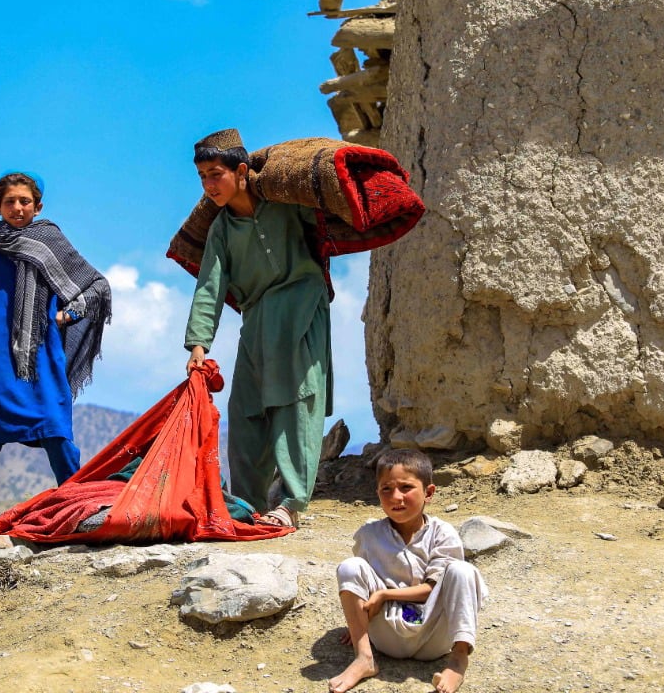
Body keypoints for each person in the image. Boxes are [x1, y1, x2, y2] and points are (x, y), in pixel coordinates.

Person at [0, 171, 111, 538]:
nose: (17, 208)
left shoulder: (50, 242)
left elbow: (96, 286)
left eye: (24, 201)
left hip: (41, 352)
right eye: (9, 202)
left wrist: (69, 314)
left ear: (38, 206)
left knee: (54, 424)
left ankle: (77, 507)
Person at [183, 128, 332, 529]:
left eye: (216, 174)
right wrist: (198, 343)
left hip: (302, 304)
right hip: (256, 319)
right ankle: (247, 506)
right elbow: (209, 286)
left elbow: (329, 218)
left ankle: (291, 503)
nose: (209, 185)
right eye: (202, 177)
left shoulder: (286, 204)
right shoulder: (221, 230)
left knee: (296, 400)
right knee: (245, 409)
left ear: (242, 170)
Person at [329, 449, 488, 693]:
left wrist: (384, 595)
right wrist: (358, 625)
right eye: (386, 489)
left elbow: (430, 589)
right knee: (350, 567)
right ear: (377, 494)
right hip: (387, 637)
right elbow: (360, 587)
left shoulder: (442, 533)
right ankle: (364, 658)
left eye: (406, 488)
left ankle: (458, 659)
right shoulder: (368, 535)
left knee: (462, 571)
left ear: (429, 492)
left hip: (434, 638)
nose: (396, 497)